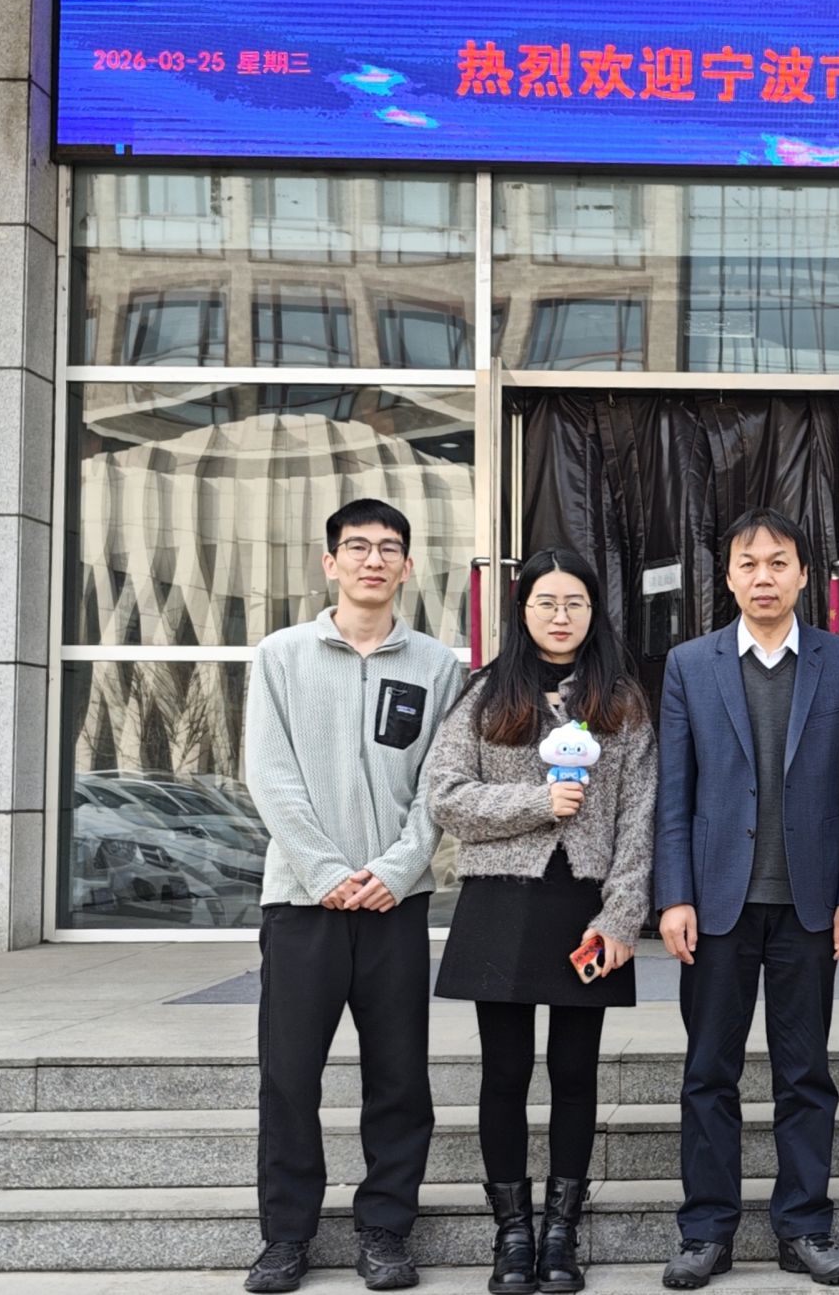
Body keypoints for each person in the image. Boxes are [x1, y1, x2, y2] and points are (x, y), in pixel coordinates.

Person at [241, 499, 467, 1295]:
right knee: (289, 1076)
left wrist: (397, 871)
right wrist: (325, 870)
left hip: (393, 906)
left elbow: (439, 785)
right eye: (358, 547)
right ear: (330, 561)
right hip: (301, 904)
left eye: (389, 548)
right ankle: (285, 1236)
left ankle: (386, 1229)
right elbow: (269, 774)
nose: (374, 560)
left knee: (399, 1076)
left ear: (408, 566)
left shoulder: (438, 666)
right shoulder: (281, 655)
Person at [653, 507, 839, 1290]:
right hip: (716, 905)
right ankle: (705, 1231)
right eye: (748, 564)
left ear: (804, 574)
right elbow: (674, 792)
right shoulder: (690, 664)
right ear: (728, 577)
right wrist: (673, 895)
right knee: (708, 1073)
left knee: (805, 1074)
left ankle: (805, 1225)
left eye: (779, 562)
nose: (763, 577)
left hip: (809, 904)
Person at [428, 548, 656, 1295]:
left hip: (585, 903)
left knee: (575, 1071)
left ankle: (562, 1230)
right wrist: (536, 802)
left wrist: (622, 913)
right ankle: (513, 1232)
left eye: (574, 603)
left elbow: (640, 815)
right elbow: (445, 795)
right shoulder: (486, 693)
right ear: (522, 610)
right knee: (504, 1071)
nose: (561, 616)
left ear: (595, 612)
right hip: (501, 899)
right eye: (546, 603)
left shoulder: (620, 700)